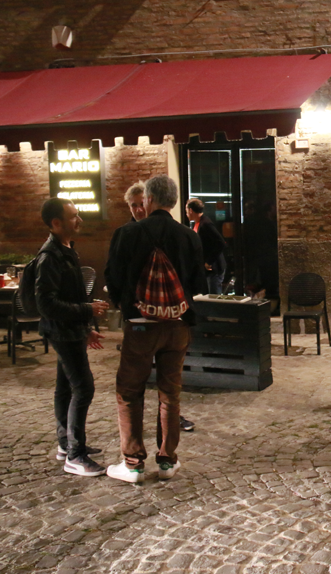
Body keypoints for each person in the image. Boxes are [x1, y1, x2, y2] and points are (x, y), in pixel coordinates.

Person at [106, 176, 207, 483]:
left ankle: (133, 463)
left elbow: (114, 279)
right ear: (174, 202)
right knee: (170, 392)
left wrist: (127, 306)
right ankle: (167, 462)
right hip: (177, 326)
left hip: (140, 326)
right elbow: (199, 285)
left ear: (148, 200)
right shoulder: (189, 236)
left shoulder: (127, 233)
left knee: (129, 391)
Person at [35, 198, 109, 476]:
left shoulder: (66, 250)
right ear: (56, 223)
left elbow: (69, 296)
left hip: (70, 331)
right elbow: (46, 304)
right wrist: (86, 310)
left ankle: (66, 445)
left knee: (65, 387)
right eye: (74, 216)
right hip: (62, 333)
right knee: (84, 388)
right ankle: (75, 456)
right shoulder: (50, 256)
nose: (79, 220)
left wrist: (86, 326)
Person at [186, 198, 227, 295]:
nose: (186, 214)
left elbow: (220, 242)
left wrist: (209, 261)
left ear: (191, 210)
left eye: (187, 211)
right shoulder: (198, 223)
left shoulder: (206, 224)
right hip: (208, 270)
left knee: (214, 299)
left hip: (214, 269)